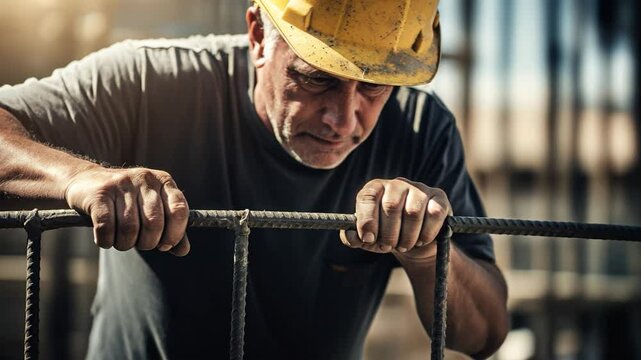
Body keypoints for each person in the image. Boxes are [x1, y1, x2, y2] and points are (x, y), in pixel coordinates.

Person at [0, 0, 509, 358]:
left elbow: (484, 335)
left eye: (376, 87)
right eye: (315, 78)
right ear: (260, 35)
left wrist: (426, 252)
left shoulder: (421, 130)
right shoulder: (151, 84)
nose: (344, 118)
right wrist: (80, 178)